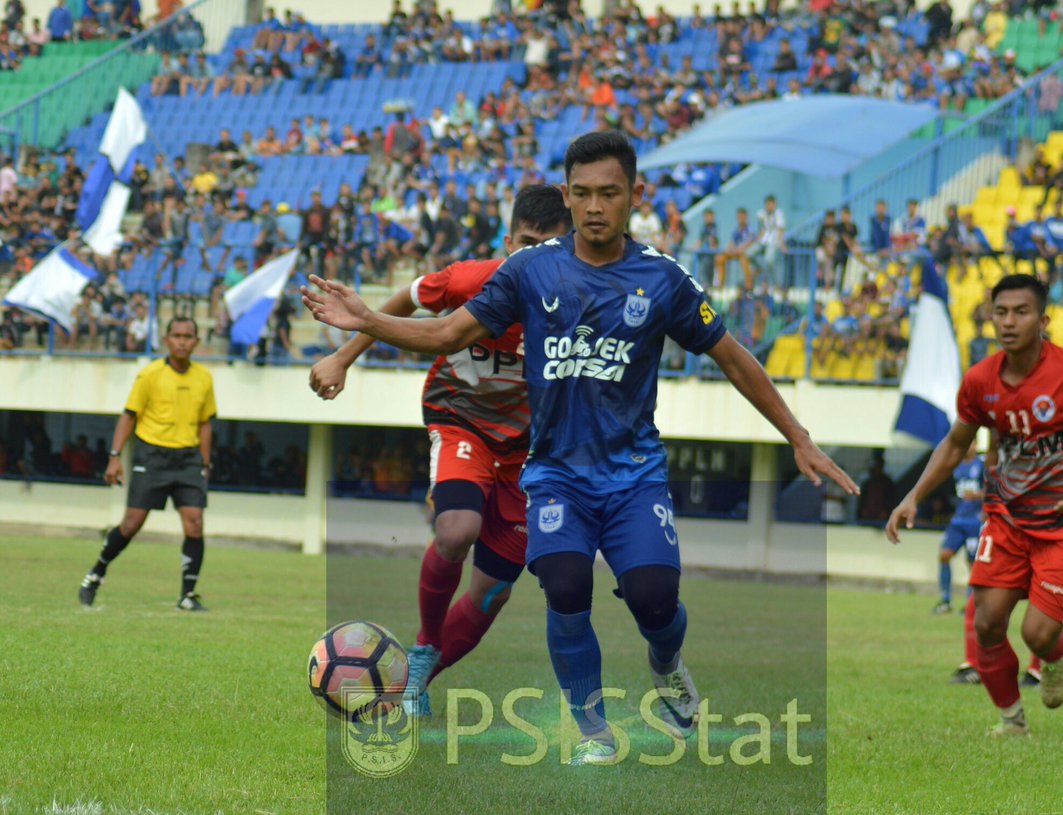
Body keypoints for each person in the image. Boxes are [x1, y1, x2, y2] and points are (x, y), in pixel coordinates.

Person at [301, 132, 858, 764]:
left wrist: (799, 438)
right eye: (584, 194)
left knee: (654, 600)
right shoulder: (528, 269)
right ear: (566, 197)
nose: (596, 206)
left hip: (632, 475)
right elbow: (447, 331)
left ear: (635, 196)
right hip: (554, 475)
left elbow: (732, 357)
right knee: (564, 586)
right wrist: (366, 323)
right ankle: (595, 734)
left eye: (610, 193)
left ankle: (667, 661)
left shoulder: (664, 278)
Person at [307, 185, 572, 717]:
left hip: (531, 453)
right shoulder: (472, 280)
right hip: (462, 421)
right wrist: (343, 358)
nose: (530, 260)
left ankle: (414, 679)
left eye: (545, 249)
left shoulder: (577, 302)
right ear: (506, 241)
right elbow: (405, 298)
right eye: (522, 245)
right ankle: (426, 645)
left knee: (494, 592)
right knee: (456, 530)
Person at [886, 274, 1063, 737]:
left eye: (1020, 312)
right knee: (987, 624)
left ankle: (1056, 657)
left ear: (1043, 320)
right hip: (1006, 520)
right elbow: (954, 443)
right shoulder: (980, 381)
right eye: (1000, 312)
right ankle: (1012, 721)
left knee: (1037, 635)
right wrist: (913, 496)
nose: (1008, 321)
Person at [79, 317, 217, 611]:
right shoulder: (150, 375)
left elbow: (206, 422)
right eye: (176, 335)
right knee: (131, 525)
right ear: (166, 340)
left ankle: (187, 595)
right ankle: (96, 573)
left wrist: (205, 461)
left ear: (196, 341)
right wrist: (114, 457)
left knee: (194, 523)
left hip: (188, 459)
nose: (182, 341)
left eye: (188, 336)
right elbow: (129, 416)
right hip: (152, 456)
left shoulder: (204, 377)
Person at [934, 436, 983, 615]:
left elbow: (996, 488)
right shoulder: (957, 466)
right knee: (945, 555)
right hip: (958, 520)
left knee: (972, 563)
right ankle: (945, 600)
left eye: (970, 442)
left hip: (975, 521)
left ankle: (970, 605)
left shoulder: (982, 464)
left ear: (976, 444)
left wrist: (978, 495)